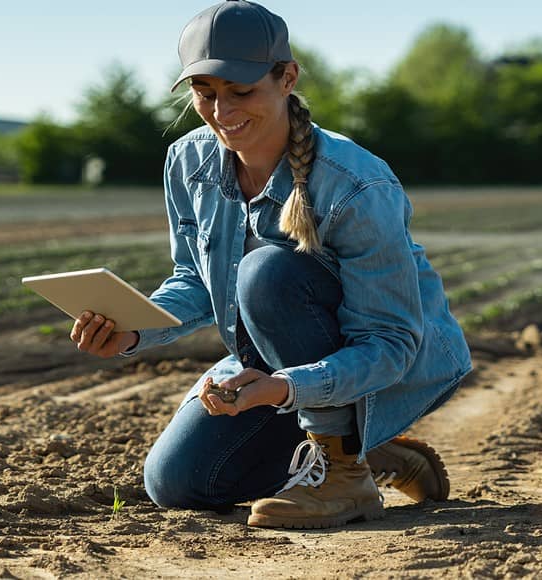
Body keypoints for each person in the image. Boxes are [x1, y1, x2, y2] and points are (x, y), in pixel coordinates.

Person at [69, 0, 472, 529]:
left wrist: (284, 387)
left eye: (241, 92)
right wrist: (131, 330)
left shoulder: (355, 185)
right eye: (204, 94)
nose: (220, 112)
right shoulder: (187, 162)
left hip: (390, 362)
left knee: (265, 273)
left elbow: (392, 344)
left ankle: (343, 470)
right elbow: (194, 279)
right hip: (276, 358)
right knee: (178, 482)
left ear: (287, 78)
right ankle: (375, 455)